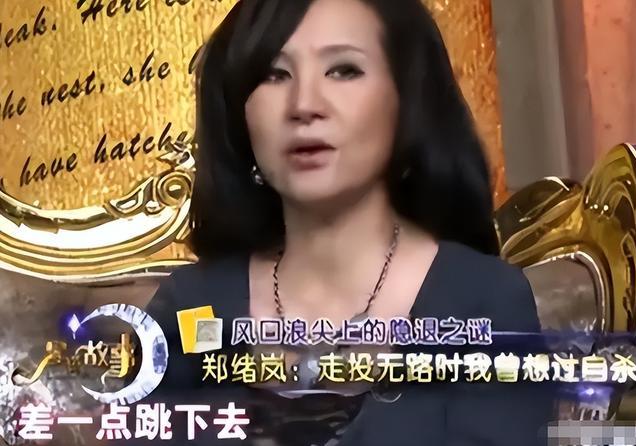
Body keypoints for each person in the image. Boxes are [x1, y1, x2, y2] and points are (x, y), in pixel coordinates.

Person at [140, 0, 555, 444]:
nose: (304, 105)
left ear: (406, 101)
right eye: (274, 74)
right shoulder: (191, 311)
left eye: (343, 70)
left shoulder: (483, 303)